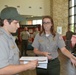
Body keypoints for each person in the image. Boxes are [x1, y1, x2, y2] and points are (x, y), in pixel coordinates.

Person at [0, 7, 38, 75]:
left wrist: (28, 63)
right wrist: (27, 66)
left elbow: (13, 61)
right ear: (6, 22)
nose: (18, 26)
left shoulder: (9, 37)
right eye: (16, 23)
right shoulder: (1, 39)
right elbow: (2, 70)